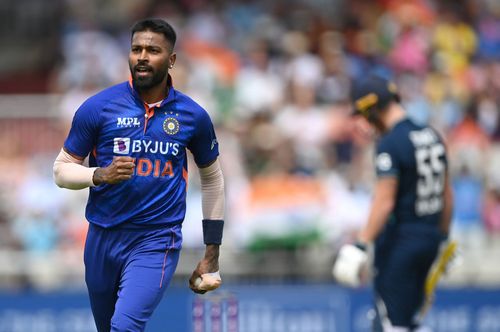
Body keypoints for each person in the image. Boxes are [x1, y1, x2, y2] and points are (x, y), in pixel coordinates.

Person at [53, 18, 225, 332]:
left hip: (156, 239)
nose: (142, 56)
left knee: (124, 328)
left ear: (171, 60)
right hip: (102, 238)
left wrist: (212, 251)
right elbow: (61, 170)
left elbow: (212, 178)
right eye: (136, 49)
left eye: (153, 50)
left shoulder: (193, 116)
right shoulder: (98, 108)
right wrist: (99, 175)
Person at [332, 75, 453, 331]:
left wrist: (361, 245)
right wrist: (441, 239)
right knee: (410, 321)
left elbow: (384, 201)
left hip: (401, 245)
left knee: (392, 324)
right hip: (428, 240)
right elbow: (446, 194)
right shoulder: (432, 135)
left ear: (371, 108)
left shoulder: (390, 143)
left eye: (363, 116)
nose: (364, 124)